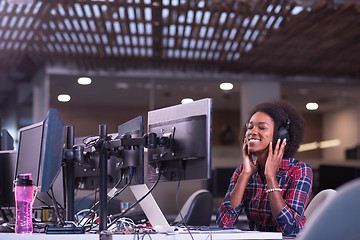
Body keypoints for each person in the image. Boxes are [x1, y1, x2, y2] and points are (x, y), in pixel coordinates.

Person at [216, 99, 313, 236]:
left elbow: (290, 230)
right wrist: (246, 174)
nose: (252, 132)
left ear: (281, 136)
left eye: (261, 127)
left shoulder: (300, 171)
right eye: (250, 127)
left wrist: (270, 177)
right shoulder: (242, 171)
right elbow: (224, 224)